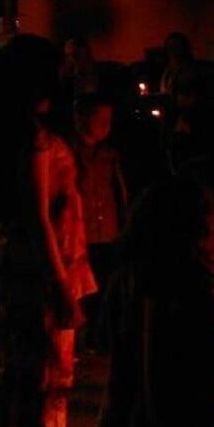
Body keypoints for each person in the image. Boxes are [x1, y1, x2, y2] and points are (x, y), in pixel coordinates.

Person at [0, 34, 97, 427]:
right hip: (42, 270)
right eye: (59, 65)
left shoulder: (3, 129)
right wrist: (63, 289)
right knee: (46, 374)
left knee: (22, 367)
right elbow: (39, 217)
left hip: (21, 267)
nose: (66, 72)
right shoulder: (33, 138)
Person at [94, 177, 214, 427]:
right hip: (195, 412)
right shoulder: (198, 282)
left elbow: (105, 336)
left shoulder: (127, 275)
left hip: (144, 408)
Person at [72, 92, 128, 352]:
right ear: (81, 119)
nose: (106, 125)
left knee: (106, 286)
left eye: (109, 119)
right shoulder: (70, 154)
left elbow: (120, 193)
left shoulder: (109, 155)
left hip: (108, 232)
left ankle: (99, 335)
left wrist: (125, 225)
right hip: (83, 234)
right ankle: (82, 336)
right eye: (99, 119)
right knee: (85, 288)